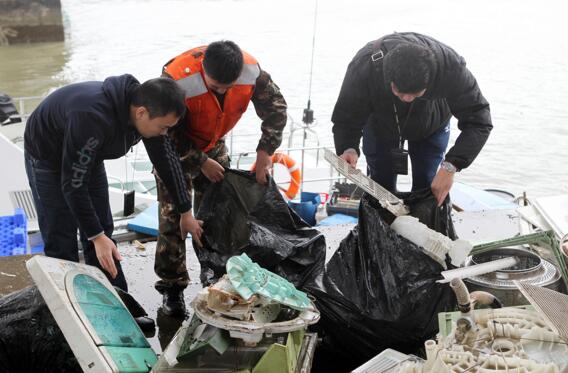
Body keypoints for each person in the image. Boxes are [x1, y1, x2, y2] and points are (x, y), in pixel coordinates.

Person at [24, 74, 199, 291]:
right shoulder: (92, 116)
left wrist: (185, 211)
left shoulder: (146, 112)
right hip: (48, 158)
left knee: (104, 232)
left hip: (89, 154)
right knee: (61, 237)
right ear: (141, 112)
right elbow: (73, 184)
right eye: (163, 128)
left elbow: (167, 161)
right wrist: (95, 236)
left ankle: (118, 302)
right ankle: (68, 310)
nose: (164, 133)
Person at [155, 40, 287, 316]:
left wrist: (265, 153)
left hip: (214, 145)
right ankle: (172, 288)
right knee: (173, 220)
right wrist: (200, 161)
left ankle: (214, 274)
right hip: (174, 151)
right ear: (204, 70)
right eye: (216, 87)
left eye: (229, 86)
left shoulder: (251, 70)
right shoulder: (177, 80)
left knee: (217, 213)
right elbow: (163, 132)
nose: (224, 91)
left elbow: (276, 109)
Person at [332, 32, 493, 206]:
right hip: (381, 123)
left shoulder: (450, 68)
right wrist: (348, 147)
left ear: (429, 81)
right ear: (388, 78)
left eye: (415, 94)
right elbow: (347, 114)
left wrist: (452, 165)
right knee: (379, 187)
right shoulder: (366, 66)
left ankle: (426, 226)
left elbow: (479, 120)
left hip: (431, 124)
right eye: (400, 93)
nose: (407, 99)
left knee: (429, 186)